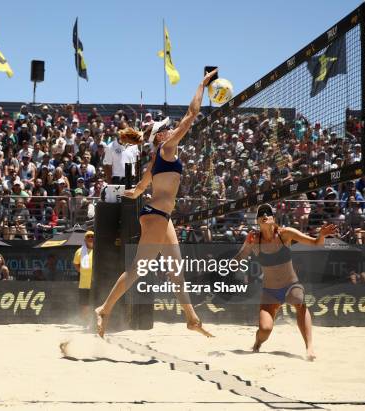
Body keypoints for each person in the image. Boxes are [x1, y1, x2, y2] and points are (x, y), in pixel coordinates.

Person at [95, 69, 220, 338]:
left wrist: (125, 193)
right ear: (162, 134)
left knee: (176, 271)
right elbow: (191, 116)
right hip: (156, 215)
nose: (172, 127)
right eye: (167, 127)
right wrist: (201, 84)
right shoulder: (166, 148)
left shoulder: (156, 159)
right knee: (138, 269)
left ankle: (191, 318)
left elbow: (139, 189)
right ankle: (104, 309)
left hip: (160, 216)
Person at [232, 203, 338, 361]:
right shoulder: (254, 239)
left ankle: (309, 347)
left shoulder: (285, 234)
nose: (265, 215)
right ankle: (257, 344)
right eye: (261, 214)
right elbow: (236, 261)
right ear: (258, 221)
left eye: (268, 213)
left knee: (299, 302)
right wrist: (246, 244)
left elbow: (315, 243)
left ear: (273, 218)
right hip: (270, 291)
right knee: (265, 329)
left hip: (290, 285)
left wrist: (321, 235)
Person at [73, 231, 94, 324]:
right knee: (84, 305)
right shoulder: (79, 251)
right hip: (84, 283)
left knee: (95, 303)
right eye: (88, 236)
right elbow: (76, 264)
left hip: (96, 283)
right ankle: (85, 322)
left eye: (92, 236)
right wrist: (82, 271)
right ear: (85, 239)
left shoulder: (99, 250)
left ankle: (93, 322)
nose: (90, 238)